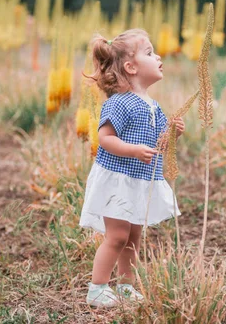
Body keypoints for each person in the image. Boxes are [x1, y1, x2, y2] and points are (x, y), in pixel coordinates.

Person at [79, 28, 184, 308]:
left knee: (134, 237)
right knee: (117, 235)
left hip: (140, 180)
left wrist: (172, 133)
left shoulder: (153, 106)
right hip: (117, 179)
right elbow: (105, 139)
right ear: (131, 66)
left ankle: (126, 286)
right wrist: (133, 150)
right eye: (150, 52)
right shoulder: (120, 103)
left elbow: (158, 144)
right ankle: (97, 287)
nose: (158, 56)